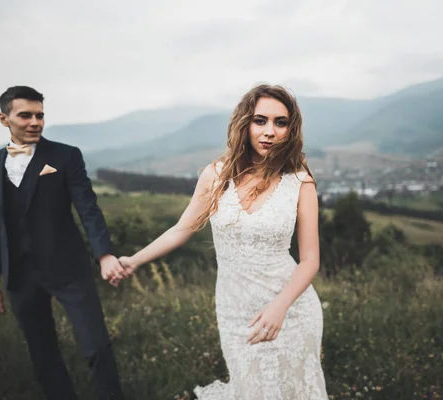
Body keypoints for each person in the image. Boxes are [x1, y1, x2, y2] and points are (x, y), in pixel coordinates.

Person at [117, 84, 328, 399]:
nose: (270, 131)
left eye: (280, 122)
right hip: (234, 309)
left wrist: (280, 307)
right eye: (260, 120)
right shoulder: (216, 176)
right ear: (245, 123)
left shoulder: (300, 183)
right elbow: (182, 229)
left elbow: (310, 259)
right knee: (251, 390)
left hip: (292, 309)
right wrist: (133, 260)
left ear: (290, 129)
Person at [0, 86, 129, 400]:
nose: (35, 122)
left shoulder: (65, 155)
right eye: (25, 115)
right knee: (43, 356)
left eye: (40, 115)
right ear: (3, 119)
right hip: (19, 276)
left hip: (68, 269)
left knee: (97, 348)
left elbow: (87, 208)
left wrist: (104, 255)